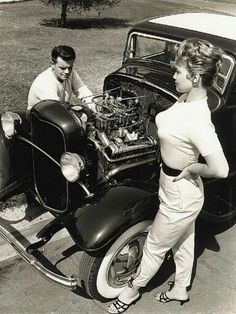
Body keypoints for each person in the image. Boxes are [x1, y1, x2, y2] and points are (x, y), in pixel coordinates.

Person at [108, 38, 229, 313]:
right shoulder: (187, 97)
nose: (173, 75)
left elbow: (220, 169)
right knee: (184, 243)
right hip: (173, 185)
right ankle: (180, 289)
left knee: (154, 245)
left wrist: (195, 168)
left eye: (178, 71)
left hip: (181, 193)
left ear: (196, 77)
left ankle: (131, 291)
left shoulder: (199, 121)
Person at [27, 45, 96, 111]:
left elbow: (83, 91)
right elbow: (57, 108)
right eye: (62, 68)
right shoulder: (44, 82)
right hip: (38, 117)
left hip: (56, 112)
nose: (67, 71)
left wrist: (95, 106)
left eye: (70, 67)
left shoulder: (71, 73)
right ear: (52, 64)